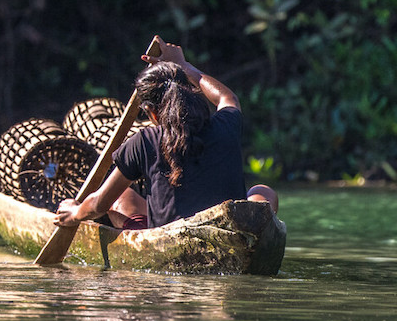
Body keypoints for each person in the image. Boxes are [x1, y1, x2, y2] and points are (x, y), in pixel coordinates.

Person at [53, 36, 278, 230]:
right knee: (262, 192)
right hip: (232, 229)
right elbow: (227, 98)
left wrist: (74, 213)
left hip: (173, 238)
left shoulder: (144, 141)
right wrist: (185, 66)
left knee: (120, 198)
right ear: (191, 94)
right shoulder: (225, 125)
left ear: (151, 113)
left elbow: (100, 204)